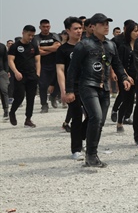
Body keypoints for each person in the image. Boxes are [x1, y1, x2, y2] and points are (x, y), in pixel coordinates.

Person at [66, 13, 132, 167]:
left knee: (100, 121)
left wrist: (124, 77)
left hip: (105, 88)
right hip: (88, 86)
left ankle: (91, 154)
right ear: (92, 27)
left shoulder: (111, 45)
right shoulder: (83, 45)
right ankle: (91, 155)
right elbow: (72, 69)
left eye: (107, 23)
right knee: (95, 117)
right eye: (102, 24)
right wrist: (69, 90)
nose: (106, 26)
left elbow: (117, 64)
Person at [56, 17, 87, 160]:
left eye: (80, 28)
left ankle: (82, 137)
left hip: (88, 85)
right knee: (76, 117)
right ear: (68, 31)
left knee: (95, 116)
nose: (79, 31)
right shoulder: (63, 50)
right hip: (72, 88)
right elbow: (60, 71)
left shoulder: (87, 45)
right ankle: (76, 149)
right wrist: (64, 90)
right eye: (75, 29)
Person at [7, 25, 41, 127]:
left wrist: (38, 73)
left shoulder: (34, 46)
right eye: (29, 35)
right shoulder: (15, 46)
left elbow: (38, 61)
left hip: (32, 75)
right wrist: (16, 72)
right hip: (20, 75)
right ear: (23, 33)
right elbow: (10, 60)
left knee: (31, 98)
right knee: (20, 96)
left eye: (32, 35)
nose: (30, 37)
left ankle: (28, 119)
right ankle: (12, 112)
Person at [113, 21, 138, 132]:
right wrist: (126, 76)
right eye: (135, 31)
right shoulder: (123, 46)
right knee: (126, 100)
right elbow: (119, 63)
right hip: (126, 77)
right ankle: (119, 122)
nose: (137, 33)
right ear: (129, 32)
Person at [34, 19, 61, 112]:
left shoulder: (55, 36)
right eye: (44, 27)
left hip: (56, 63)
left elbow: (58, 47)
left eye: (47, 26)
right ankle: (44, 105)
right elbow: (37, 51)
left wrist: (43, 48)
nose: (46, 28)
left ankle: (53, 96)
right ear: (40, 27)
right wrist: (51, 49)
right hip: (42, 65)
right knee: (43, 85)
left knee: (59, 82)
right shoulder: (36, 38)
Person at [0, 41, 9, 120]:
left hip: (1, 72)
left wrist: (6, 71)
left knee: (4, 90)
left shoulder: (2, 46)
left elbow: (5, 59)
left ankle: (6, 110)